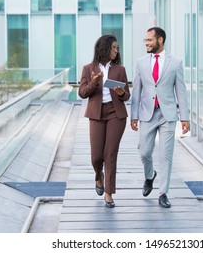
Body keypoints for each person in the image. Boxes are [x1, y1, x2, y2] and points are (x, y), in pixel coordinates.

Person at [130, 27, 190, 208]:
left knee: (166, 155)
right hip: (147, 113)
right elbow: (137, 90)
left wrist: (184, 117)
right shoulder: (141, 63)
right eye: (145, 41)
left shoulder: (175, 63)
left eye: (149, 40)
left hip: (168, 114)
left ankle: (163, 193)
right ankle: (149, 176)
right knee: (144, 151)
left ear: (160, 40)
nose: (146, 43)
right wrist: (133, 116)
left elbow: (181, 91)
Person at [78, 35, 130, 208]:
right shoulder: (88, 69)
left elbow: (127, 94)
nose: (116, 51)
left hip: (116, 113)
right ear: (104, 48)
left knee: (110, 154)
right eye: (114, 47)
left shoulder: (120, 70)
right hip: (96, 114)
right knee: (96, 156)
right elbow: (83, 93)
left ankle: (109, 193)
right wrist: (93, 83)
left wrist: (121, 93)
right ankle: (98, 176)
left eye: (117, 48)